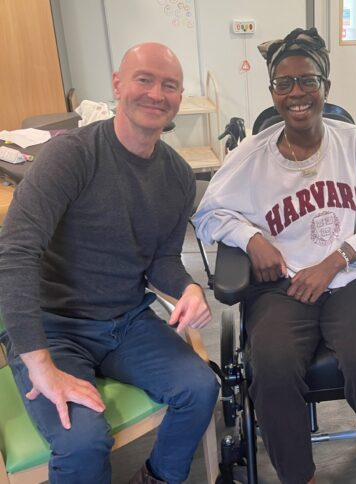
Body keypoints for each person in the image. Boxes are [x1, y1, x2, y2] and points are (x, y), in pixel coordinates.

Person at [194, 27, 356, 484]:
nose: (296, 93)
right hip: (280, 289)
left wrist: (336, 260)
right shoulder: (250, 155)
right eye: (284, 83)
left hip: (349, 281)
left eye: (308, 81)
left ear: (325, 88)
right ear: (273, 92)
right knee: (270, 368)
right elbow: (209, 215)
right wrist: (252, 238)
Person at [0, 43, 219, 484]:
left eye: (170, 85)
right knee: (82, 444)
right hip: (54, 326)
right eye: (144, 79)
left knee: (201, 387)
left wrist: (188, 287)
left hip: (126, 320)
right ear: (118, 85)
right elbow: (14, 254)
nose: (157, 93)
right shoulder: (71, 156)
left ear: (178, 98)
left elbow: (161, 259)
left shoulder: (177, 176)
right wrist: (41, 365)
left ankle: (156, 477)